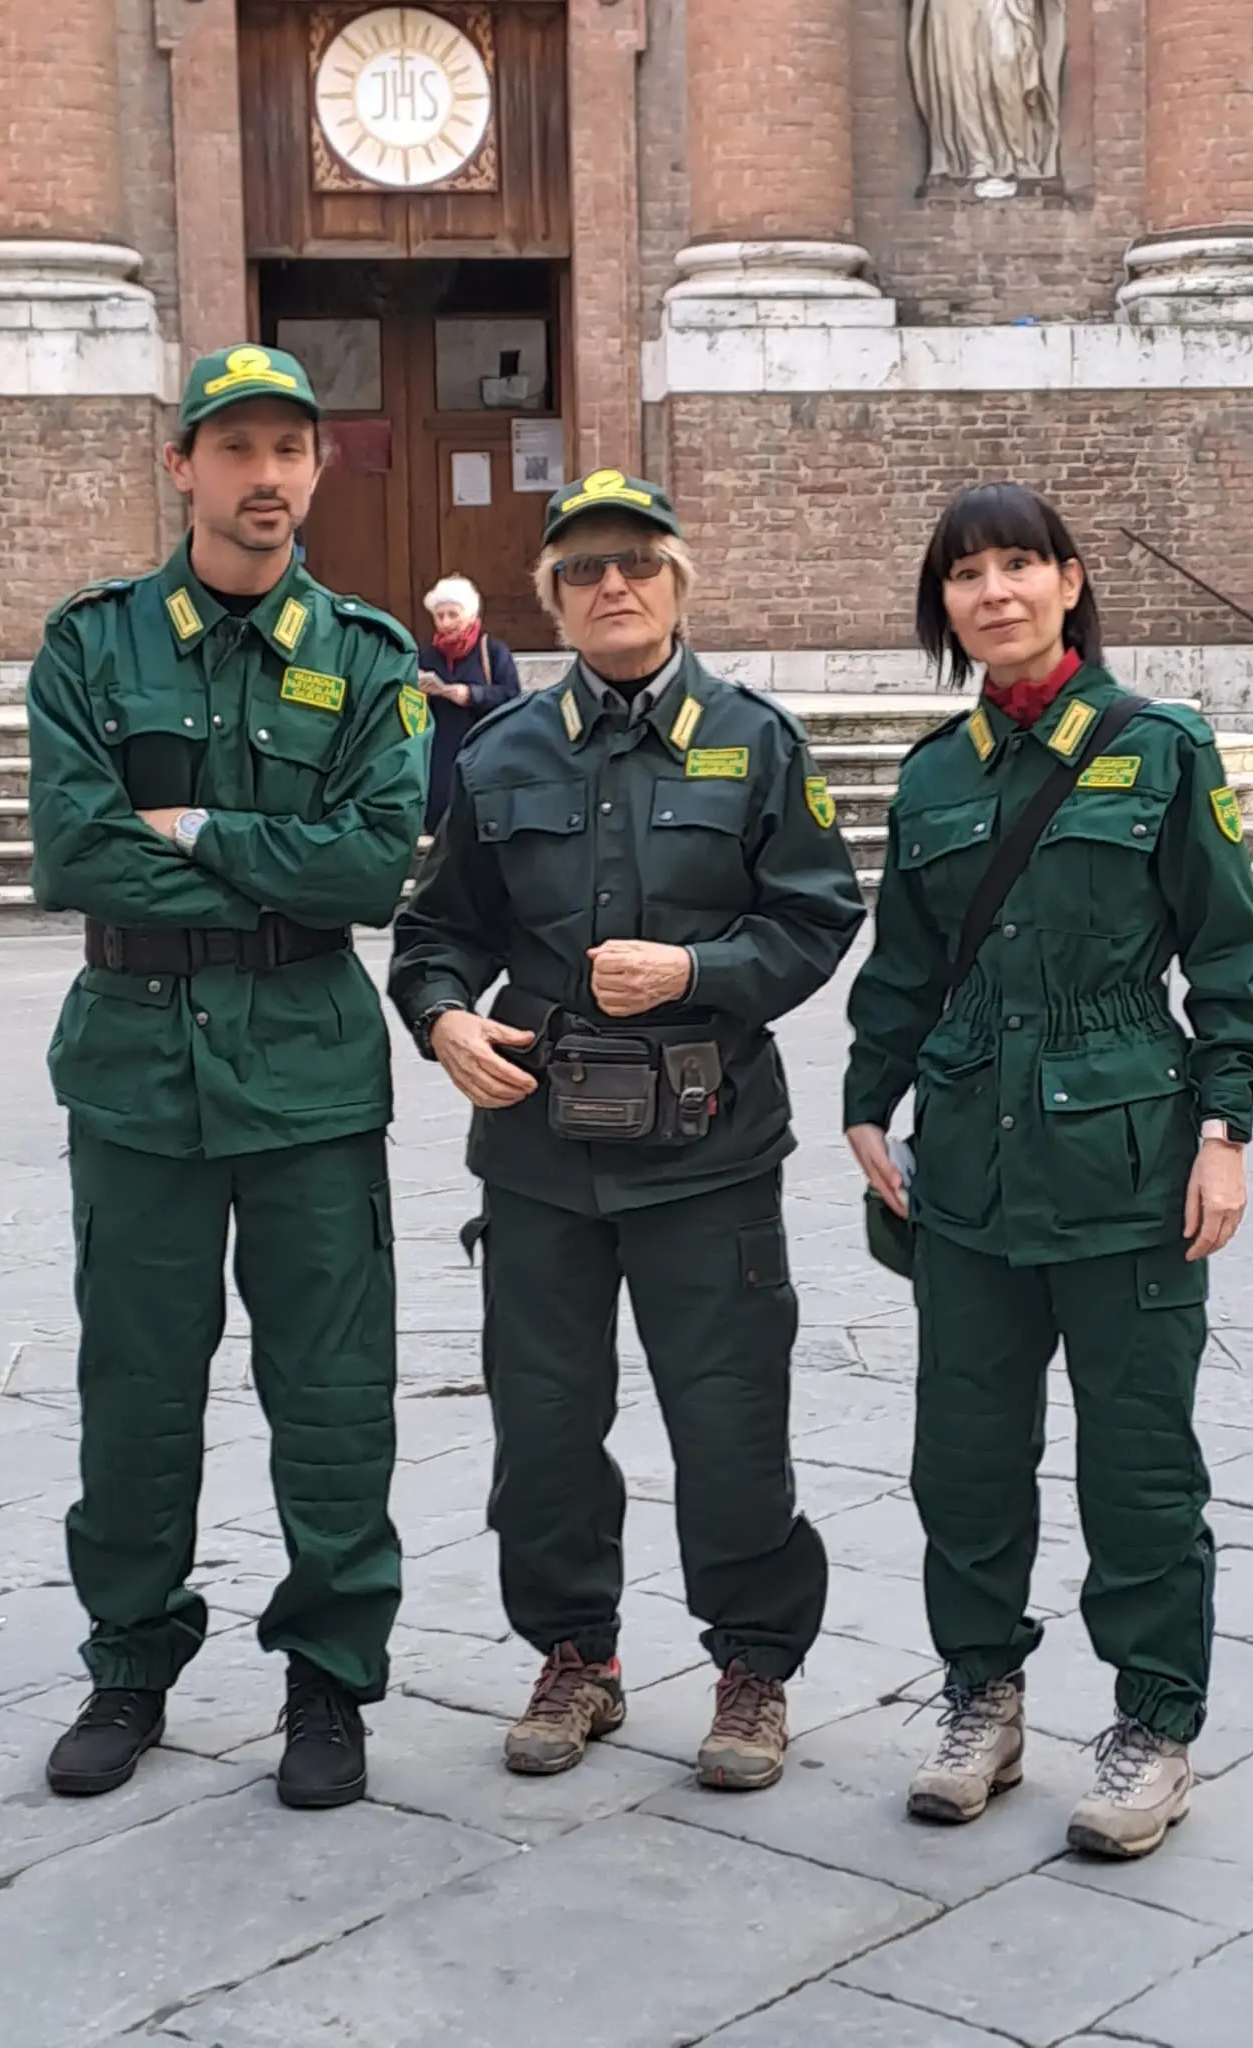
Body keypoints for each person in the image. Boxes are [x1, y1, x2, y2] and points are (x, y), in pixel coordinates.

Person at [389, 469, 865, 1792]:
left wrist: (699, 976)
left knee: (728, 1422)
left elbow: (820, 914)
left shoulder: (756, 742)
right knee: (542, 1426)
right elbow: (438, 932)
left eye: (637, 565)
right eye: (585, 570)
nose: (614, 587)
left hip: (709, 1149)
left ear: (677, 583)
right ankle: (575, 1658)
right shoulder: (501, 752)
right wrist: (442, 1021)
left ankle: (752, 1670)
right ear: (551, 598)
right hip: (541, 1147)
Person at [842, 483, 1253, 1860]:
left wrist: (1227, 1132)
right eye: (966, 574)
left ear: (1073, 582)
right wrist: (866, 1105)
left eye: (1019, 564)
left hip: (1128, 1161)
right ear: (947, 606)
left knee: (1140, 1465)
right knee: (963, 1460)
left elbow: (1227, 959)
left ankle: (1153, 1724)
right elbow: (904, 966)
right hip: (966, 1164)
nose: (995, 592)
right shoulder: (932, 775)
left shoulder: (1159, 750)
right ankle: (982, 1699)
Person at [26, 343, 430, 1810]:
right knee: (134, 1388)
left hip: (310, 1079)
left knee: (333, 1393)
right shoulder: (93, 646)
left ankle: (329, 1680)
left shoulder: (373, 658)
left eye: (291, 450)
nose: (267, 477)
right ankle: (130, 1663)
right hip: (134, 1067)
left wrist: (193, 835)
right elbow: (74, 851)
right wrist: (278, 873)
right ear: (183, 463)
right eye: (238, 447)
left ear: (317, 468)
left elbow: (377, 867)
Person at [416, 574, 523, 831]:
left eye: (453, 614)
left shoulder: (493, 652)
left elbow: (513, 696)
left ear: (471, 615)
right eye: (439, 616)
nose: (445, 622)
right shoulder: (427, 656)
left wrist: (471, 695)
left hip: (482, 749)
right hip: (439, 755)